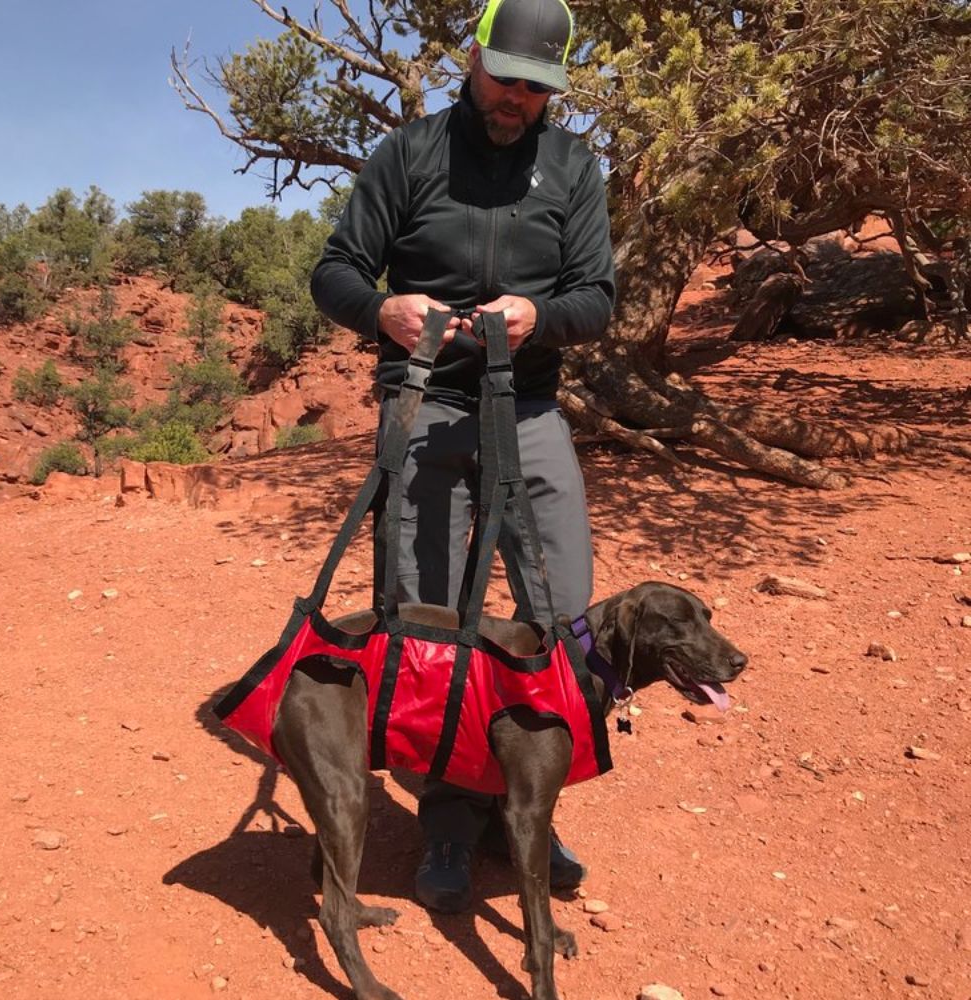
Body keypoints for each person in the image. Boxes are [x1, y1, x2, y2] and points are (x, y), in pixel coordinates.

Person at [310, 0, 615, 914]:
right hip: (425, 403)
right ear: (472, 58)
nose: (518, 100)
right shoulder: (407, 154)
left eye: (537, 88)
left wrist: (537, 317)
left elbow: (595, 296)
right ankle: (447, 814)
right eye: (505, 78)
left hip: (524, 408)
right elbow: (335, 270)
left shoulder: (571, 164)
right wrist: (381, 312)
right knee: (428, 617)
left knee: (557, 614)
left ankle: (528, 805)